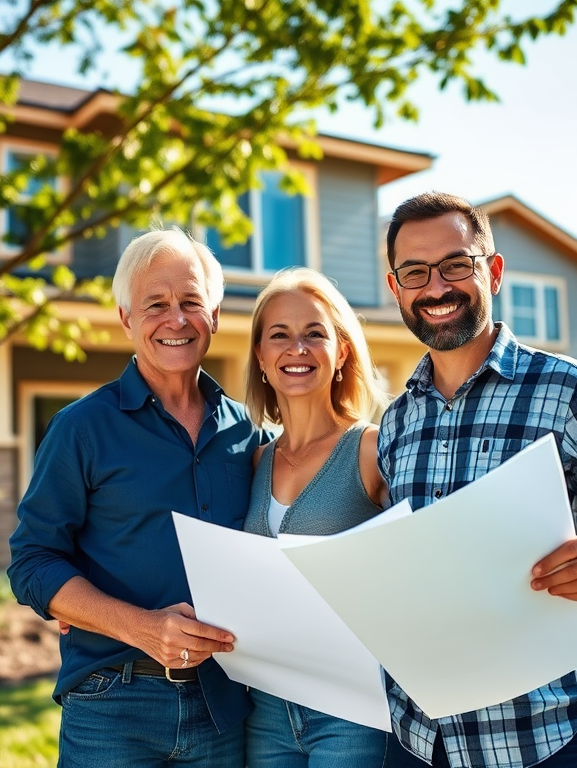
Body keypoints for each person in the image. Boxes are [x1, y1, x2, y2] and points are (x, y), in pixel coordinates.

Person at [377, 192, 577, 768]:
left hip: (543, 740)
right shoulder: (397, 422)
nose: (436, 287)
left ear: (492, 272)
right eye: (415, 273)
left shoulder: (572, 391)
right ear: (395, 287)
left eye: (456, 265)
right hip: (418, 742)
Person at [7, 228, 266, 768]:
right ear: (126, 318)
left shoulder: (247, 433)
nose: (176, 319)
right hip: (112, 705)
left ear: (215, 315)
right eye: (156, 304)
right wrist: (142, 628)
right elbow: (32, 561)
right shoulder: (80, 428)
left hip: (224, 707)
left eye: (191, 302)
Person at [242, 267, 391, 767]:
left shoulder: (370, 449)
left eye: (314, 334)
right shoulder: (255, 460)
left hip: (349, 711)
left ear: (342, 351)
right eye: (279, 335)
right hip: (265, 712)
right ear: (261, 356)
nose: (296, 349)